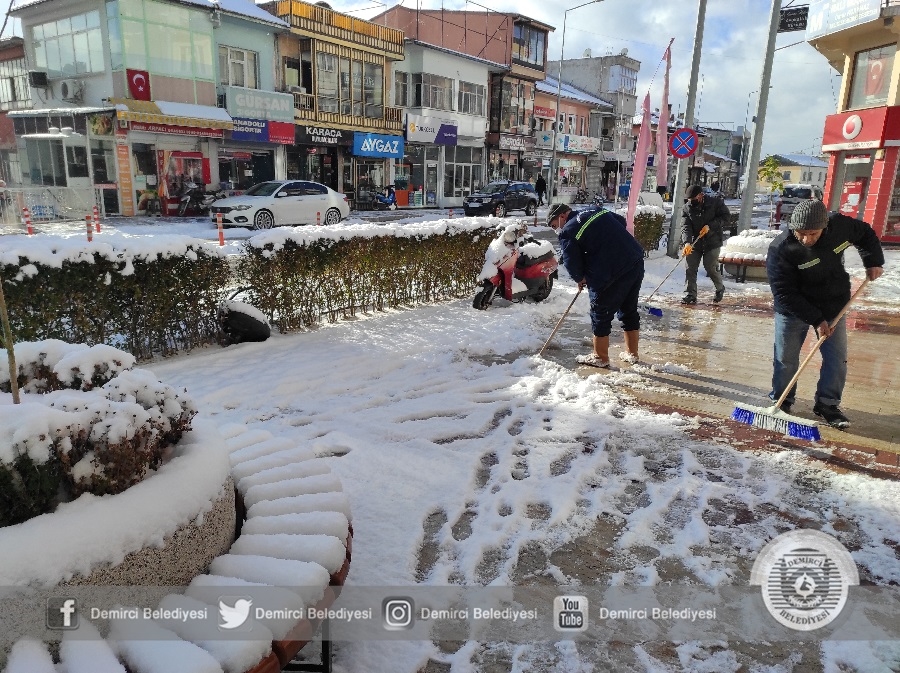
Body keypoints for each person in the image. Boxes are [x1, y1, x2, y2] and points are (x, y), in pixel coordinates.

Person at [766, 199, 884, 428]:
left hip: (832, 304)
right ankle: (782, 401)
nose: (806, 239)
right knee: (785, 358)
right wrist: (816, 320)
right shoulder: (781, 248)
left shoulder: (840, 226)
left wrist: (873, 261)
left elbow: (866, 234)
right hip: (793, 309)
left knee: (836, 358)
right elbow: (783, 292)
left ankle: (827, 404)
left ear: (825, 226)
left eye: (813, 233)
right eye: (801, 233)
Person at [547, 203, 645, 368]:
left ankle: (600, 357)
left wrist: (580, 278)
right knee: (629, 309)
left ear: (562, 216)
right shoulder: (595, 210)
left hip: (610, 271)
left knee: (600, 312)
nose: (556, 230)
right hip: (634, 261)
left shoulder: (568, 231)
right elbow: (621, 221)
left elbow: (571, 262)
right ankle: (632, 353)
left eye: (554, 225)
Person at [681, 184, 729, 304]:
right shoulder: (686, 208)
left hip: (712, 241)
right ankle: (690, 294)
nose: (691, 202)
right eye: (689, 199)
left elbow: (726, 217)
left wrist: (710, 226)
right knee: (690, 267)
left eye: (694, 199)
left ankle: (720, 288)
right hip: (695, 242)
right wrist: (687, 242)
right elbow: (685, 226)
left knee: (710, 267)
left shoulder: (715, 203)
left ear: (701, 195)